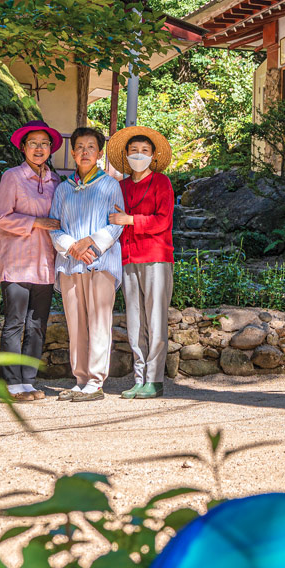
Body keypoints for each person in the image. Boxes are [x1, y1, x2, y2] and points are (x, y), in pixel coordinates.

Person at [48, 127, 125, 402]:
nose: (84, 152)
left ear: (100, 154)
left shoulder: (110, 185)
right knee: (76, 323)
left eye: (91, 147)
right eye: (79, 147)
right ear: (72, 152)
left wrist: (90, 244)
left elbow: (116, 225)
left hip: (101, 262)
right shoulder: (62, 189)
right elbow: (54, 226)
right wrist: (73, 247)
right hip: (71, 263)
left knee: (99, 320)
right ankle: (80, 379)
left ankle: (96, 381)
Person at [0, 120, 63, 402]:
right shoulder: (12, 177)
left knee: (37, 324)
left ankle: (29, 381)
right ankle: (12, 384)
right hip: (18, 262)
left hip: (45, 265)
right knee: (14, 322)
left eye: (44, 144)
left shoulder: (56, 181)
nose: (38, 148)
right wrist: (37, 222)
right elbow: (2, 217)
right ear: (23, 147)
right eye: (33, 143)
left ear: (50, 149)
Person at [105, 126, 174, 400]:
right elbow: (110, 218)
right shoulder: (119, 187)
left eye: (144, 151)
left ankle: (154, 380)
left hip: (156, 257)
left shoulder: (162, 183)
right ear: (125, 154)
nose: (139, 155)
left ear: (153, 155)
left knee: (156, 319)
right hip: (127, 257)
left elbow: (163, 221)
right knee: (135, 322)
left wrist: (131, 219)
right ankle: (139, 377)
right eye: (134, 150)